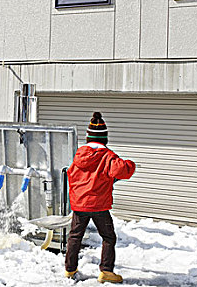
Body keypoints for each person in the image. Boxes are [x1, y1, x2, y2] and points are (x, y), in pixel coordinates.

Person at [64, 112, 136, 284]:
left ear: (88, 137)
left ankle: (69, 269)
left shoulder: (79, 155)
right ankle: (106, 271)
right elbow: (122, 171)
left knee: (75, 236)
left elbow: (71, 174)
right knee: (108, 237)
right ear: (104, 138)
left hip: (80, 205)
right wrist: (130, 164)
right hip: (99, 206)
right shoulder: (107, 156)